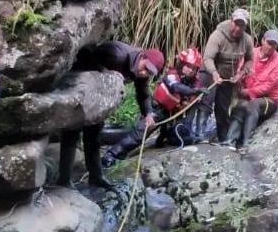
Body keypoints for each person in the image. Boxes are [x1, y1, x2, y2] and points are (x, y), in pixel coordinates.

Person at [59, 41, 164, 189]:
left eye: (149, 73)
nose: (144, 73)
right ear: (142, 57)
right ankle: (63, 180)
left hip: (99, 96)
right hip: (79, 87)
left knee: (94, 136)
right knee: (72, 133)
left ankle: (96, 177)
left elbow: (143, 94)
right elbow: (86, 54)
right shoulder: (118, 55)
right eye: (145, 68)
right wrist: (104, 71)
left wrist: (148, 114)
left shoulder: (141, 71)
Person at [103, 47, 211, 163]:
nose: (190, 70)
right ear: (181, 63)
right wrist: (194, 91)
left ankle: (163, 139)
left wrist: (195, 94)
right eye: (188, 66)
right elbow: (175, 87)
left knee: (178, 133)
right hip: (157, 109)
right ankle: (112, 154)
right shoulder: (172, 74)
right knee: (140, 135)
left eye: (194, 68)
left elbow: (190, 103)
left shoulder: (194, 83)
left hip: (172, 114)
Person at [222, 28, 278, 152]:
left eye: (274, 44)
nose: (271, 47)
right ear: (263, 40)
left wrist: (248, 92)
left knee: (253, 105)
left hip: (269, 99)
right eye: (269, 42)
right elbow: (241, 68)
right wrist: (238, 79)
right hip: (248, 93)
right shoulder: (252, 53)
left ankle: (245, 143)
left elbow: (268, 87)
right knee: (240, 106)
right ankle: (229, 141)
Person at [202, 8, 255, 144]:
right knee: (205, 103)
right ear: (231, 21)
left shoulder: (247, 40)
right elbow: (207, 58)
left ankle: (223, 138)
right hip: (210, 73)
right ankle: (199, 136)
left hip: (228, 78)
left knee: (222, 108)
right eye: (236, 23)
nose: (238, 27)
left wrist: (241, 74)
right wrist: (214, 73)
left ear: (245, 26)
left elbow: (249, 60)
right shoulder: (218, 35)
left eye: (242, 25)